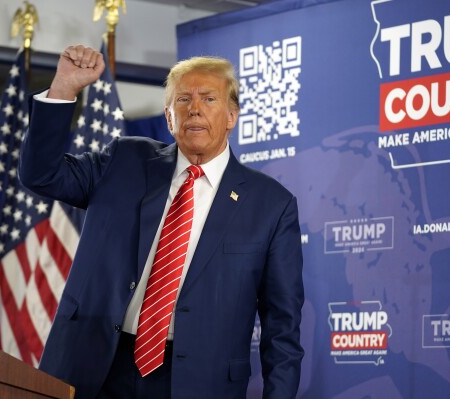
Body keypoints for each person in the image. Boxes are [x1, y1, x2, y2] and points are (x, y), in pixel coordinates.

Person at [19, 45, 304, 399]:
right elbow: (41, 175)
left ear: (232, 115)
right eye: (183, 99)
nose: (195, 108)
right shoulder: (123, 160)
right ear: (169, 117)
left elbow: (282, 328)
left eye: (209, 99)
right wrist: (63, 89)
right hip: (95, 366)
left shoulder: (272, 205)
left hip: (197, 381)